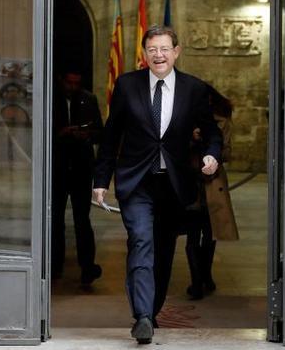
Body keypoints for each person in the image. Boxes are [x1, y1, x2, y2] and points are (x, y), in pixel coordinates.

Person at [93, 26, 223, 344]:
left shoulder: (194, 89)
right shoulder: (127, 85)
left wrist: (211, 154)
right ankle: (142, 316)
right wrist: (100, 180)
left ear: (176, 52)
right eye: (152, 49)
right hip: (137, 181)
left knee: (163, 252)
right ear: (144, 54)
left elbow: (212, 132)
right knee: (140, 241)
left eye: (164, 48)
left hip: (174, 186)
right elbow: (111, 136)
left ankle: (152, 309)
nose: (159, 55)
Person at [184, 85, 239, 300]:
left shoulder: (222, 119)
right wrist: (191, 137)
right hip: (190, 179)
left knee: (209, 230)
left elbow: (226, 152)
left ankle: (205, 276)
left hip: (211, 180)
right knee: (192, 232)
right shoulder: (185, 117)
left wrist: (207, 141)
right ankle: (196, 281)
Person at [51, 70, 104, 285]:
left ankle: (87, 267)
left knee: (82, 219)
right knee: (55, 220)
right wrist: (60, 133)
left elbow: (99, 131)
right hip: (59, 167)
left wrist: (86, 135)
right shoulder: (51, 99)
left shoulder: (88, 99)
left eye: (76, 83)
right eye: (69, 82)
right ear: (62, 81)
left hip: (81, 167)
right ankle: (54, 266)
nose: (72, 87)